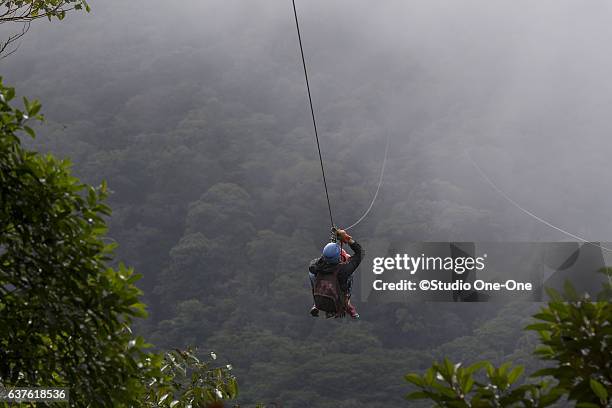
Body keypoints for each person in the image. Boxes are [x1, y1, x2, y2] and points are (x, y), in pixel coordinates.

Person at [309, 228, 363, 319]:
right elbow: (360, 253)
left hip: (320, 300)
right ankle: (347, 302)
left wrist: (333, 241)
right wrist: (347, 239)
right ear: (338, 257)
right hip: (338, 303)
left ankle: (315, 302)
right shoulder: (343, 271)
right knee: (351, 274)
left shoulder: (316, 266)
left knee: (311, 274)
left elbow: (322, 259)